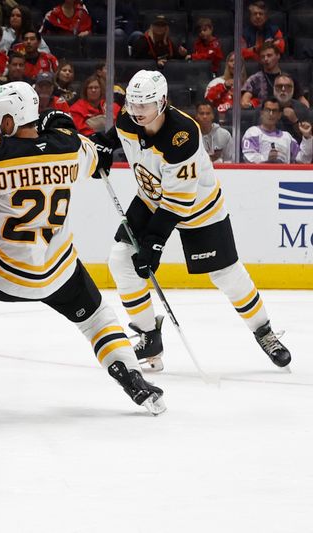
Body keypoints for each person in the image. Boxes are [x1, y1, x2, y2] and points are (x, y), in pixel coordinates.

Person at [0, 83, 166, 415]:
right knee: (99, 318)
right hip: (58, 271)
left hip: (0, 273)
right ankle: (133, 379)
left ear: (10, 122)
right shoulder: (69, 147)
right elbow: (98, 159)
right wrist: (62, 127)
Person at [97, 70, 292, 371]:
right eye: (132, 104)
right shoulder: (129, 119)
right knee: (121, 259)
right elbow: (118, 134)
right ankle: (149, 335)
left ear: (162, 102)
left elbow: (178, 202)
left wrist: (154, 245)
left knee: (226, 274)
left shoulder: (183, 135)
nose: (136, 112)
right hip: (151, 200)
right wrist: (104, 145)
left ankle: (264, 332)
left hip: (199, 207)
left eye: (144, 105)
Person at [242, 97, 313, 164]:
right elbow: (248, 157)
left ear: (279, 115)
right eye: (267, 110)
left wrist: (307, 137)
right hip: (260, 175)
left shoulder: (287, 137)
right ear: (262, 113)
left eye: (274, 111)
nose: (271, 114)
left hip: (284, 175)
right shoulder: (252, 132)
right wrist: (266, 158)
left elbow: (303, 160)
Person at [241, 42, 309, 109]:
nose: (266, 59)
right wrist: (254, 105)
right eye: (263, 56)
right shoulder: (255, 79)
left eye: (269, 55)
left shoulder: (289, 79)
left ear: (278, 56)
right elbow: (244, 102)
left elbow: (304, 103)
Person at [273, 74, 309, 140]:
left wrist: (295, 121)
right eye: (279, 86)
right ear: (273, 88)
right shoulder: (262, 109)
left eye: (288, 86)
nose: (283, 89)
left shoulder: (303, 109)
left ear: (293, 89)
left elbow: (307, 138)